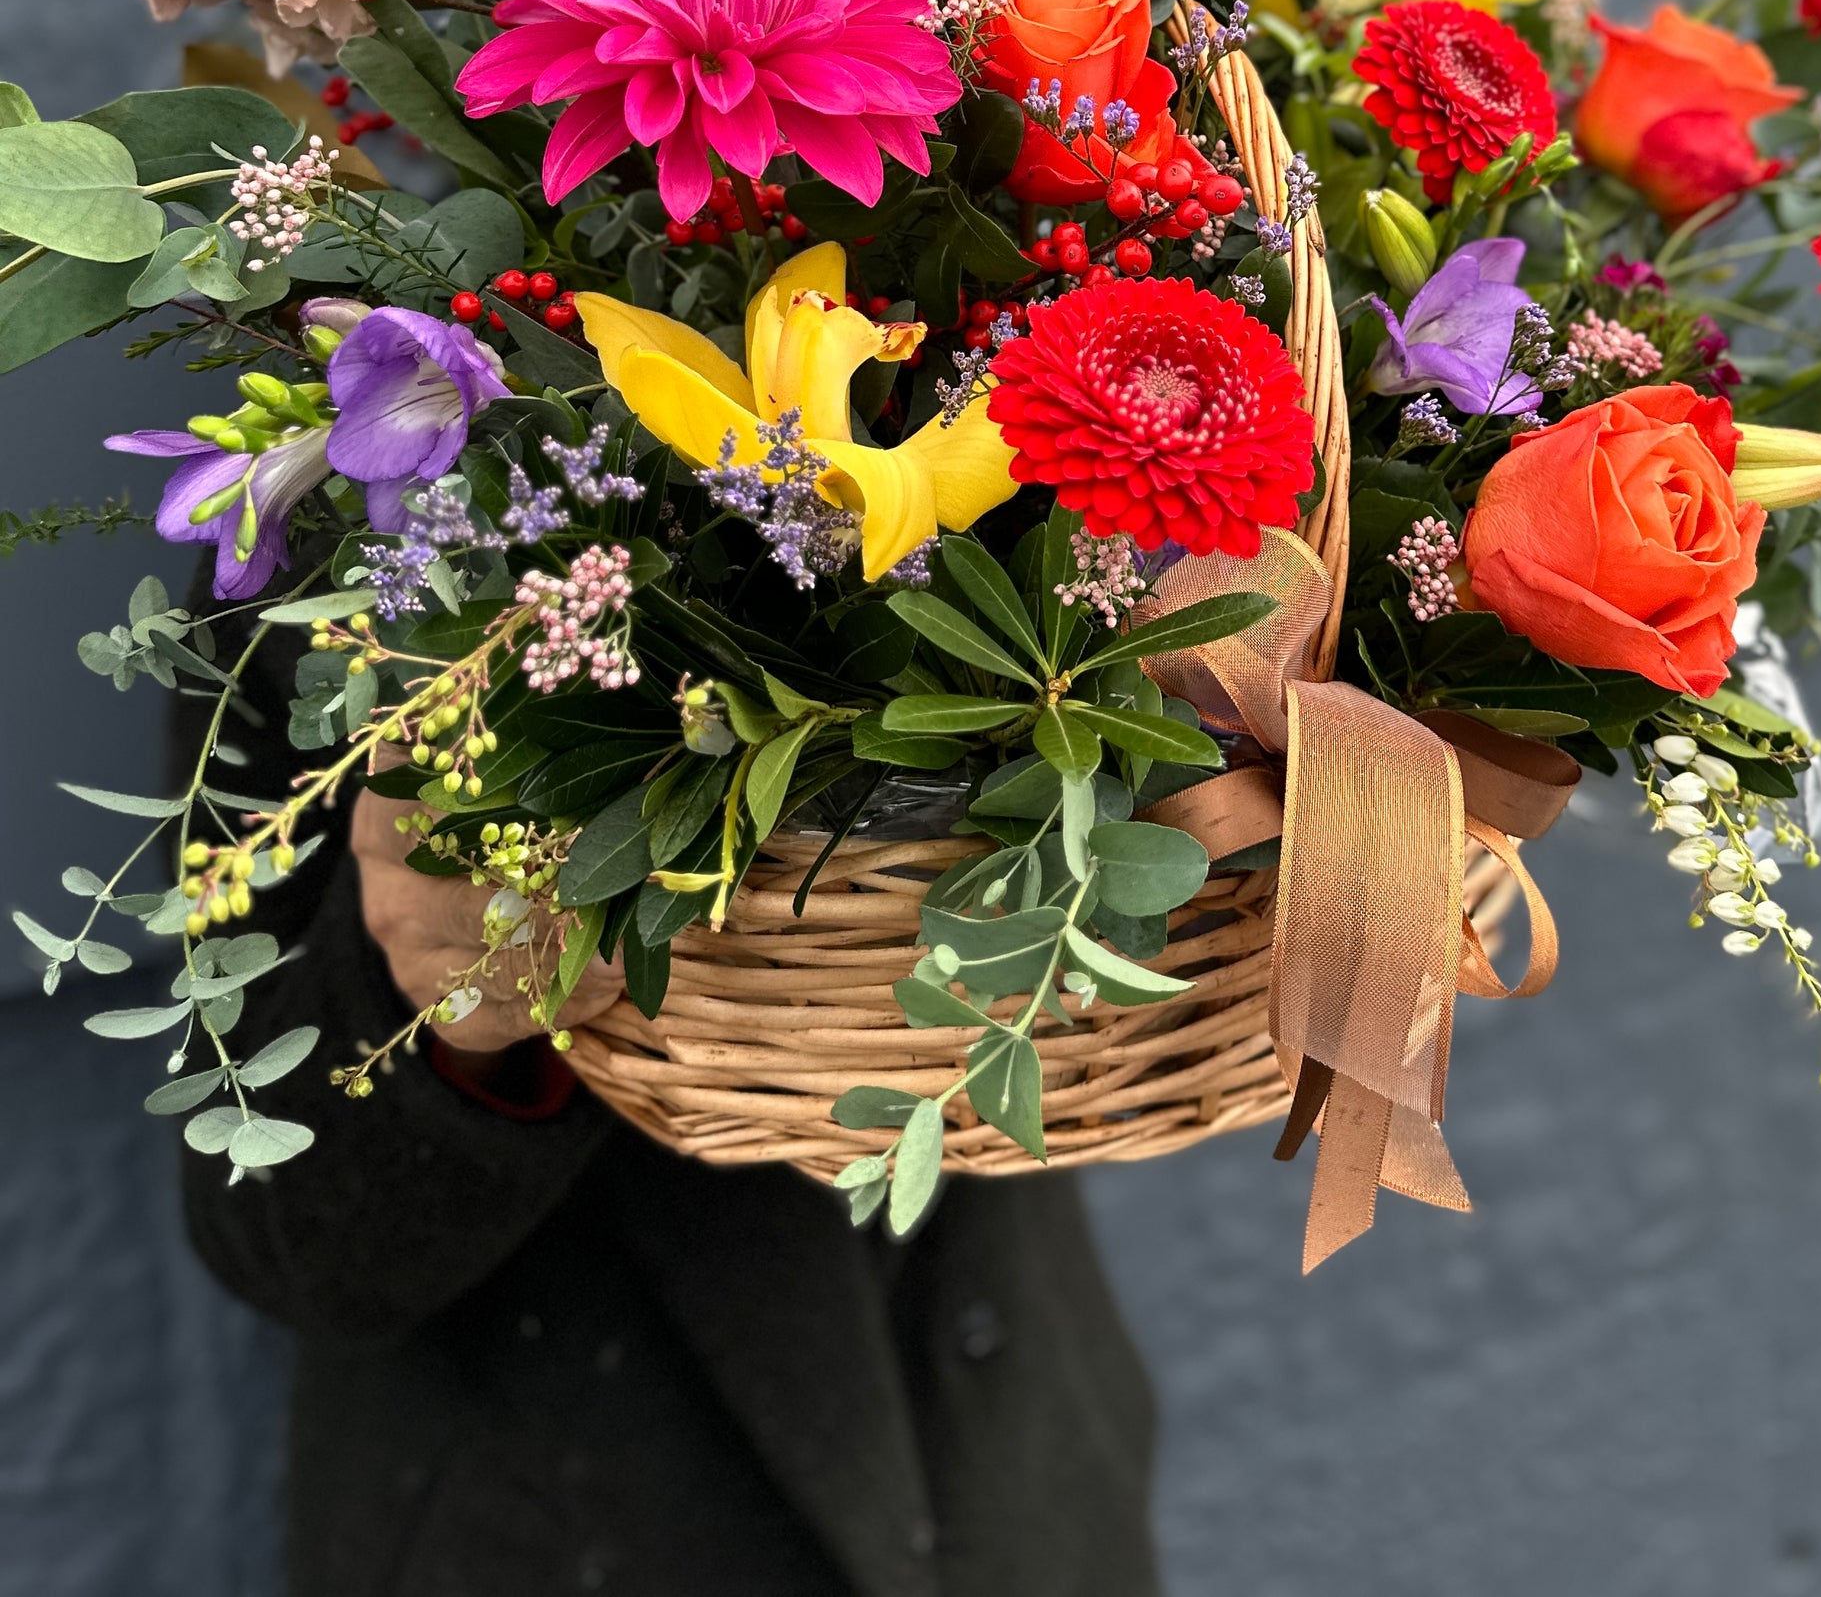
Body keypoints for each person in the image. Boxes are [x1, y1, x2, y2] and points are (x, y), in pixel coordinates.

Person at [180, 636, 1161, 1597]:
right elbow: (279, 1221)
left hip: (1011, 1467)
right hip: (571, 1506)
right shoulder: (326, 551)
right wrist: (440, 1006)